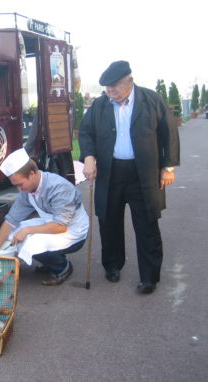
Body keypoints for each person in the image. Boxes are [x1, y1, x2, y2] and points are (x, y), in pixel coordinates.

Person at [78, 61, 180, 294]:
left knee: (146, 225)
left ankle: (149, 276)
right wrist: (89, 156)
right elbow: (85, 132)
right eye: (106, 88)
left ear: (129, 81)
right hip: (110, 172)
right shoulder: (101, 105)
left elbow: (169, 132)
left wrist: (168, 167)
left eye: (114, 87)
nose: (110, 92)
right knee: (109, 221)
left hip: (143, 174)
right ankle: (112, 265)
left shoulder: (151, 100)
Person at [0, 148, 89, 285]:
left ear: (32, 174)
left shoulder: (58, 187)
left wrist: (27, 231)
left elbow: (60, 226)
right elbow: (10, 221)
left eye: (20, 184)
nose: (19, 189)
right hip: (51, 223)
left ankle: (62, 268)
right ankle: (51, 260)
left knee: (31, 242)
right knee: (14, 231)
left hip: (74, 230)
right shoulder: (27, 190)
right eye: (16, 185)